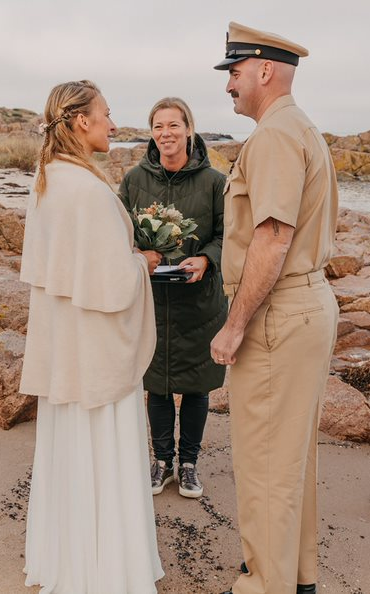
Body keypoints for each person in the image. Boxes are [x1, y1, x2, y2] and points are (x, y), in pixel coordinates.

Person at [18, 80, 164, 594]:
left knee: (70, 457)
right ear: (81, 121)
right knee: (103, 453)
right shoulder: (87, 190)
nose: (112, 120)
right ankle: (107, 573)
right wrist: (143, 263)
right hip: (97, 357)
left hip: (65, 355)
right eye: (105, 112)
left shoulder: (47, 179)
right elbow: (111, 285)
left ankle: (67, 563)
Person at [209, 22, 340, 594]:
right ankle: (297, 577)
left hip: (278, 313)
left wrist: (235, 326)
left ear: (264, 71)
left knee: (264, 462)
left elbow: (271, 237)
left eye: (235, 74)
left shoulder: (274, 136)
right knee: (290, 460)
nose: (229, 86)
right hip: (305, 302)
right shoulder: (298, 127)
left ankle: (267, 584)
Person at [118, 97, 228, 499]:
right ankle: (161, 461)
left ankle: (188, 465)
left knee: (197, 386)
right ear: (152, 133)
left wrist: (206, 258)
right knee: (158, 383)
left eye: (173, 126)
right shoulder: (134, 180)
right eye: (158, 127)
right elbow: (118, 232)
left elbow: (227, 234)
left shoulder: (214, 181)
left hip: (200, 300)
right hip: (152, 301)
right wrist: (138, 255)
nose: (166, 134)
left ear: (189, 129)